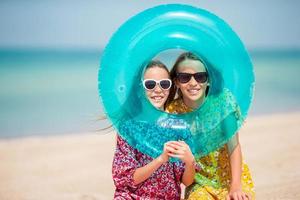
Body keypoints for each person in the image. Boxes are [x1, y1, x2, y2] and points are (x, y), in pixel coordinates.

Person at [166, 52, 255, 200]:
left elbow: (234, 146)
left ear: (208, 80)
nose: (193, 83)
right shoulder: (173, 112)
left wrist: (235, 186)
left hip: (232, 177)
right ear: (176, 82)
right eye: (185, 77)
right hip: (199, 182)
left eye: (200, 76)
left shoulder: (223, 101)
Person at [112, 60, 196, 199]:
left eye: (164, 84)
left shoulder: (179, 127)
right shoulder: (128, 127)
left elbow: (187, 182)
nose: (158, 90)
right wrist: (161, 159)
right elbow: (127, 180)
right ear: (139, 90)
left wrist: (190, 161)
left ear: (169, 89)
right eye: (150, 85)